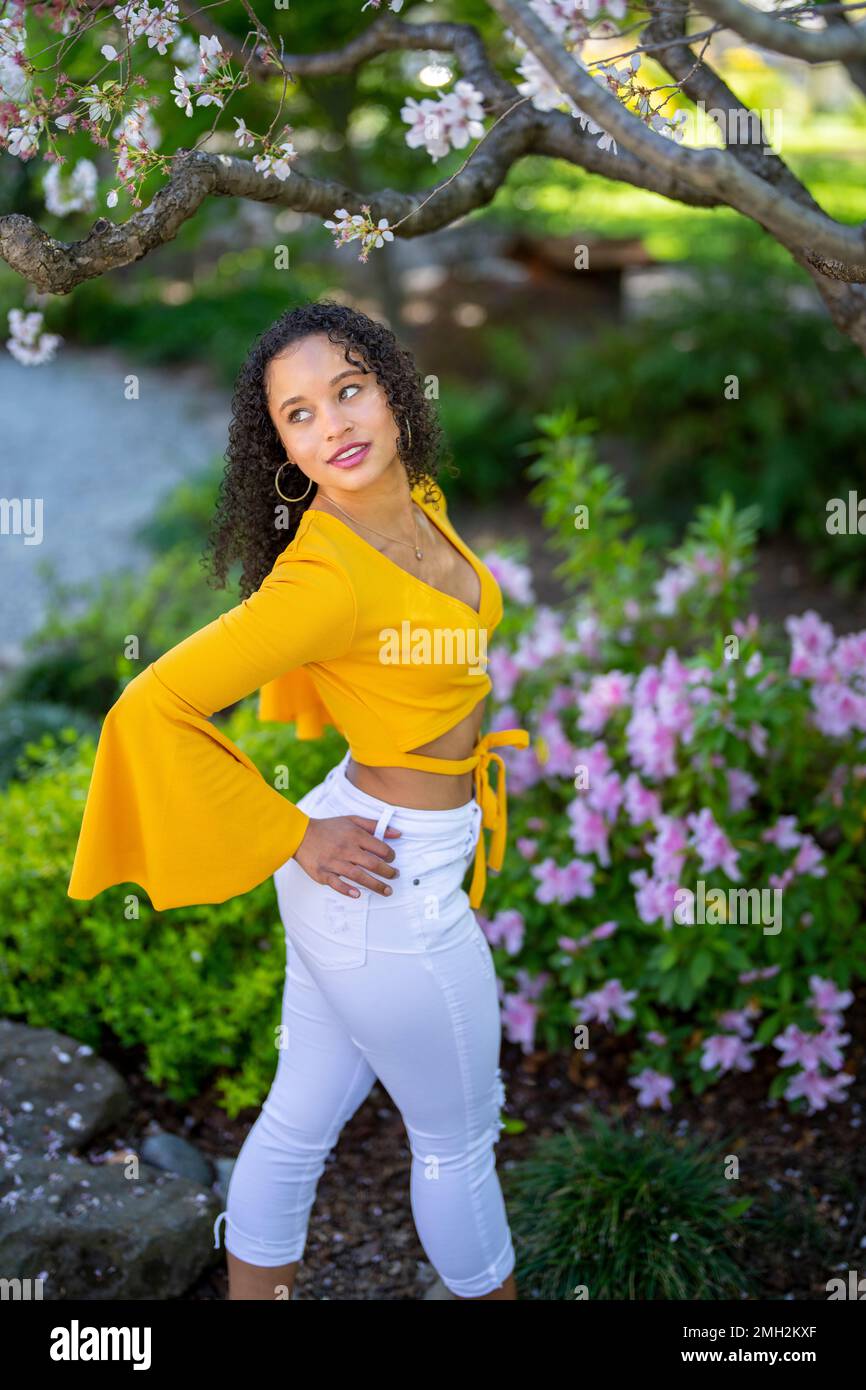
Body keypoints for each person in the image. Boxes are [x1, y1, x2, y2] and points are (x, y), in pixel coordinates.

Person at [67, 300, 530, 1301]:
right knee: (458, 1143)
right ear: (275, 442)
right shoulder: (323, 577)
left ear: (395, 393)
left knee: (298, 1118)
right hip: (379, 880)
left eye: (349, 390)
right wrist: (292, 834)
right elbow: (154, 705)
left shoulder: (416, 497)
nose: (335, 426)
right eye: (299, 414)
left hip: (384, 861)